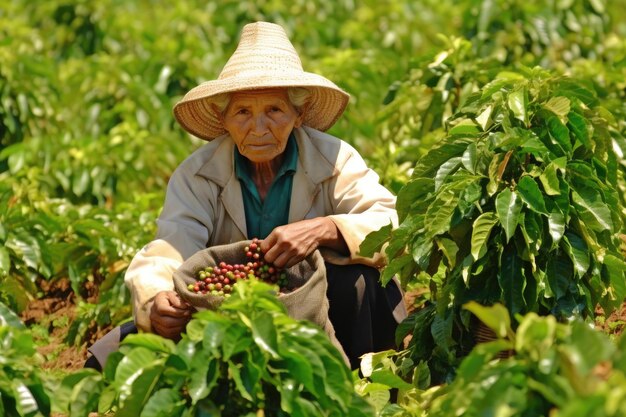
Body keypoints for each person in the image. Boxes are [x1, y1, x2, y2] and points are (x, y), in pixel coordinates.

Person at [87, 21, 406, 371]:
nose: (258, 128)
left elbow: (388, 223)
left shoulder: (333, 159)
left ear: (299, 115)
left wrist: (325, 229)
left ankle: (359, 384)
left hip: (316, 302)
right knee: (116, 355)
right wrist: (157, 299)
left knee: (362, 284)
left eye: (274, 110)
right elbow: (171, 246)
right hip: (228, 309)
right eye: (242, 112)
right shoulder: (199, 174)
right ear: (223, 119)